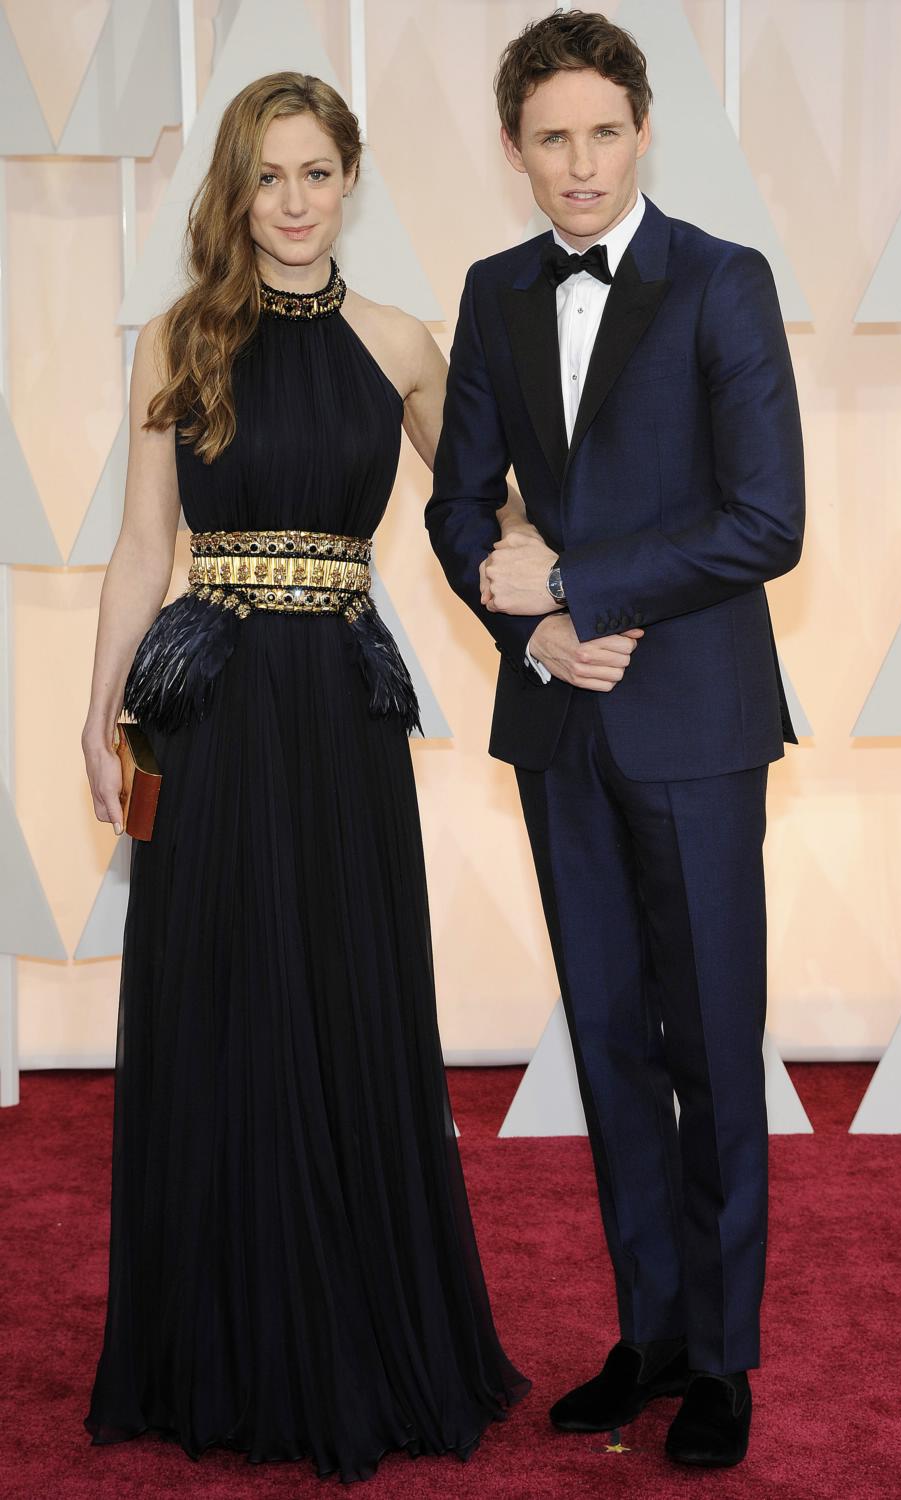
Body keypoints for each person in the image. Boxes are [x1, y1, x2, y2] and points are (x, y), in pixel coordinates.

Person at [80, 71, 528, 1483]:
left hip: (339, 710)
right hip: (203, 716)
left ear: (351, 180)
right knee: (212, 996)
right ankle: (210, 1339)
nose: (292, 200)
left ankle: (356, 1315)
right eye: (268, 175)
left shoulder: (402, 343)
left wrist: (577, 578)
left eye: (317, 173)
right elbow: (144, 551)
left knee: (344, 995)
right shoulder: (179, 340)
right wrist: (102, 719)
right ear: (237, 186)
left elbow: (484, 518)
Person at [426, 10, 804, 1470]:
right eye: (549, 139)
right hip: (558, 729)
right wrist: (528, 625)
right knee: (605, 1043)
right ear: (516, 150)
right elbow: (465, 510)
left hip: (697, 726)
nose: (578, 164)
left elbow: (767, 520)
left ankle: (723, 1362)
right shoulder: (494, 291)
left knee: (711, 1044)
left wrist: (581, 584)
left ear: (642, 128)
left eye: (601, 131)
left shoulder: (724, 282)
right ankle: (648, 1335)